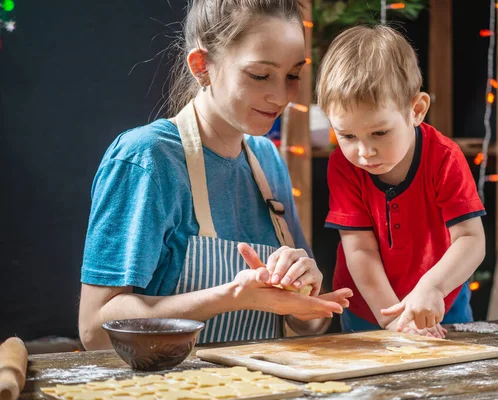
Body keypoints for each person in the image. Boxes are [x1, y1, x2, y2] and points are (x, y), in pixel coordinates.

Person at [78, 0, 352, 350]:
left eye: (293, 75)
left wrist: (305, 293)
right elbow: (95, 330)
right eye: (259, 75)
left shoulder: (267, 160)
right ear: (202, 66)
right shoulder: (147, 159)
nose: (281, 95)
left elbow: (309, 324)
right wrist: (232, 296)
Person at [316, 25, 486, 337]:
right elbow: (360, 251)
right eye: (347, 135)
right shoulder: (343, 165)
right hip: (370, 310)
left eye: (379, 132)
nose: (365, 151)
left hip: (442, 305)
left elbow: (471, 240)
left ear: (416, 110)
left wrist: (432, 286)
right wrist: (392, 321)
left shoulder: (444, 158)